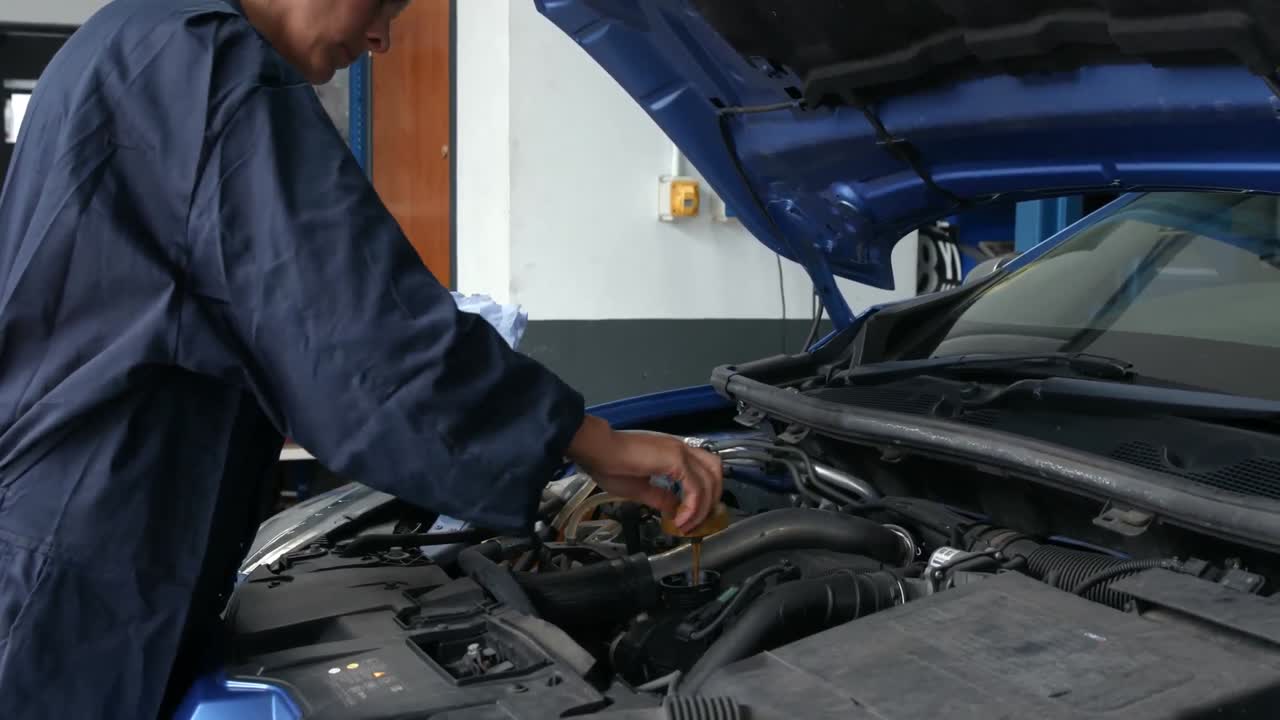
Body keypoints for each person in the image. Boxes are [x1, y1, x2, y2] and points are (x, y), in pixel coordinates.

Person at [0, 0, 724, 717]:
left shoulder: (137, 35)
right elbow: (357, 329)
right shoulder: (209, 63)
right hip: (84, 568)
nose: (381, 37)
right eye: (380, 3)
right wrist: (589, 441)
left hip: (68, 534)